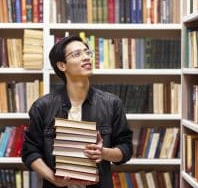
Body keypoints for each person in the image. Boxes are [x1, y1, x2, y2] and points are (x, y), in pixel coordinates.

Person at [22, 35, 133, 188]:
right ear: (62, 65)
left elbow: (126, 149)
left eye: (87, 52)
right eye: (77, 54)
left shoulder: (112, 103)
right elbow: (30, 152)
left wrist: (103, 153)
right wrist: (53, 179)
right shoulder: (43, 106)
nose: (86, 57)